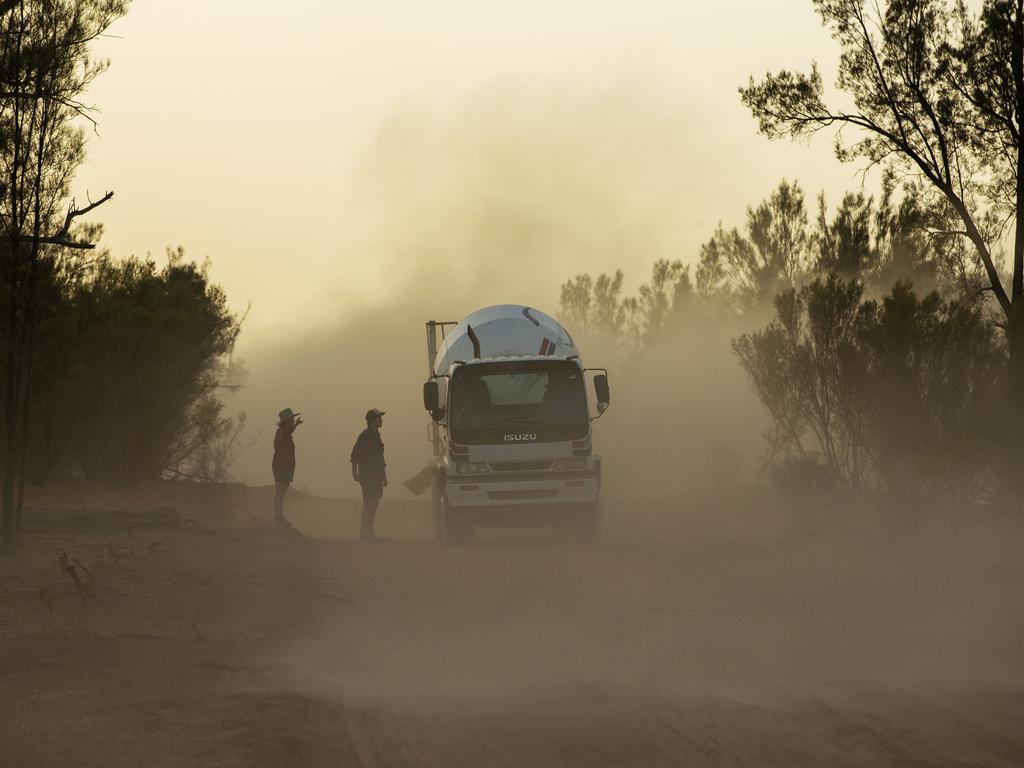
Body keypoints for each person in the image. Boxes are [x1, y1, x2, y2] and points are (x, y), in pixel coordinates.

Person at [350, 408, 387, 541]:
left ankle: (369, 531)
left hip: (376, 475)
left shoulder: (376, 435)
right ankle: (365, 532)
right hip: (367, 475)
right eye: (379, 418)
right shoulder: (365, 436)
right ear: (373, 420)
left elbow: (380, 457)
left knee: (374, 502)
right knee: (369, 503)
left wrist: (384, 475)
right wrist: (355, 473)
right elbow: (355, 455)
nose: (381, 420)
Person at [272, 408, 302, 524]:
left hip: (285, 465)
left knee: (282, 492)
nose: (293, 421)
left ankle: (279, 516)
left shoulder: (283, 432)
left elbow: (289, 431)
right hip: (282, 465)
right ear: (287, 421)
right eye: (292, 419)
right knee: (280, 492)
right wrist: (296, 426)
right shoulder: (282, 432)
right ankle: (278, 517)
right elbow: (288, 432)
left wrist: (296, 426)